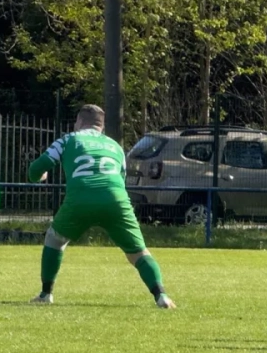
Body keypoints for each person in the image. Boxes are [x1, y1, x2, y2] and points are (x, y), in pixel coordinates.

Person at [27, 104, 176, 309]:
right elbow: (121, 178)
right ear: (102, 126)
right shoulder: (115, 146)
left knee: (55, 239)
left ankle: (46, 294)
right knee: (138, 252)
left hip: (80, 198)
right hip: (116, 200)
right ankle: (161, 296)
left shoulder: (69, 139)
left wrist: (38, 176)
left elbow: (35, 168)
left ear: (79, 122)